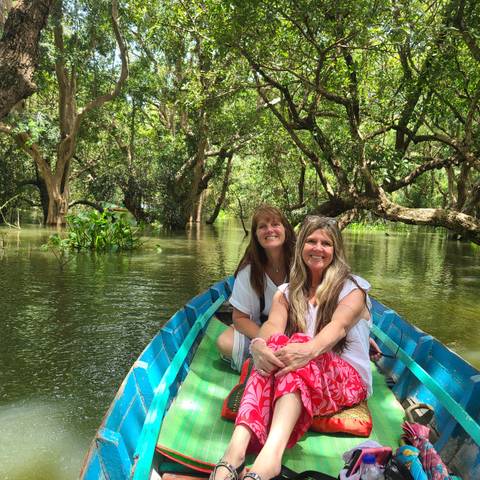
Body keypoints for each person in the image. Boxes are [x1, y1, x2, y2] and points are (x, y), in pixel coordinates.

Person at [211, 215, 373, 480]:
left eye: (326, 243)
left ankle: (270, 457)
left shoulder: (353, 288)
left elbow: (338, 327)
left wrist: (307, 349)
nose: (318, 248)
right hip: (305, 372)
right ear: (301, 248)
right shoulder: (286, 292)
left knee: (295, 344)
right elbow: (273, 326)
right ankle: (234, 453)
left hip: (347, 379)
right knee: (274, 345)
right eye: (311, 241)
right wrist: (260, 347)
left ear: (336, 250)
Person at [217, 205, 296, 372]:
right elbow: (239, 319)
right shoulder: (249, 271)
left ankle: (271, 364)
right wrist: (266, 341)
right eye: (262, 226)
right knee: (225, 343)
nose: (269, 230)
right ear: (256, 235)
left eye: (275, 224)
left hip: (296, 332)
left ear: (285, 229)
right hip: (261, 332)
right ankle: (267, 363)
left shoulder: (301, 265)